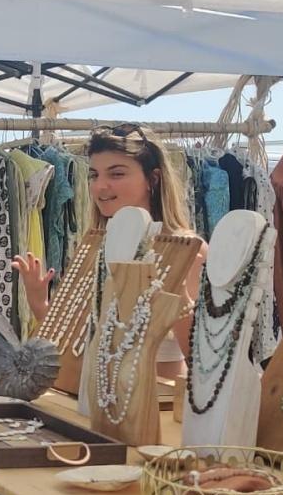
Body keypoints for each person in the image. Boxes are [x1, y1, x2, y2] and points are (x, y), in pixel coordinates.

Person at [13, 122, 204, 376]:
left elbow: (203, 362)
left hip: (158, 406)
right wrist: (40, 303)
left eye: (116, 174)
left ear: (153, 179)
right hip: (90, 404)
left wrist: (176, 291)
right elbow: (75, 346)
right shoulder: (98, 244)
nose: (100, 186)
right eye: (94, 175)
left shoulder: (187, 248)